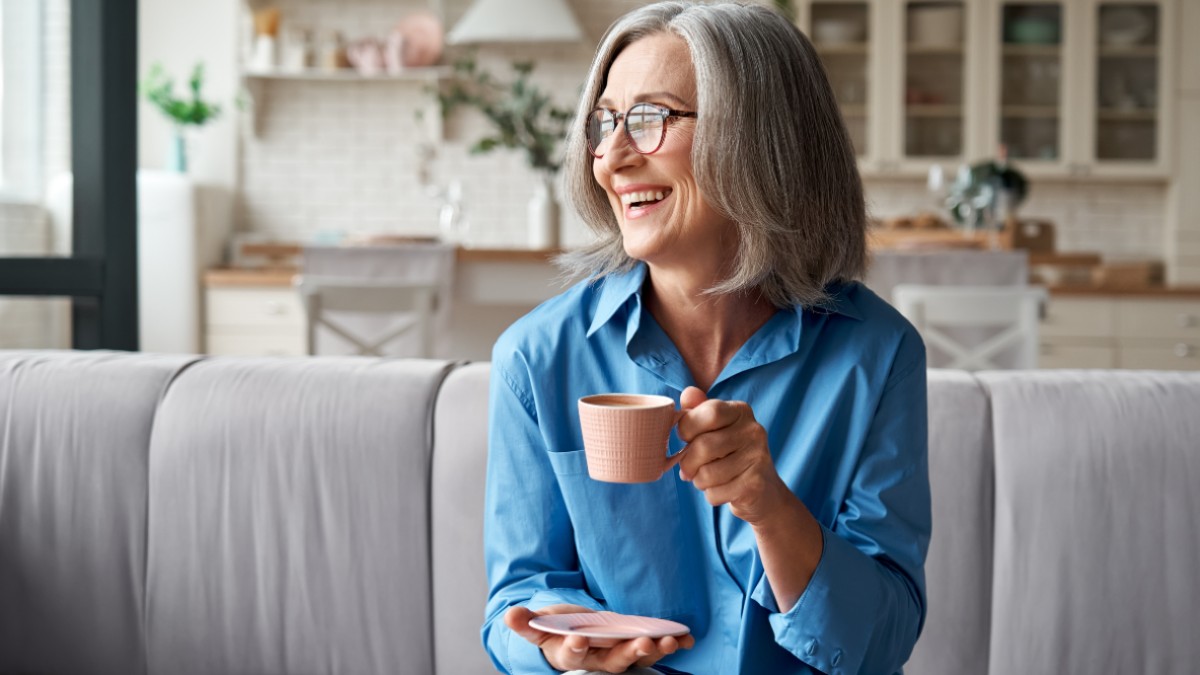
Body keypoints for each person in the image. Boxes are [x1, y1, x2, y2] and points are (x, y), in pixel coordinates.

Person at [482, 2, 931, 673]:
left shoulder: (877, 355)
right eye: (604, 123)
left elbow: (882, 641)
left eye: (650, 118)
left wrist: (769, 505)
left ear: (761, 136)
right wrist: (561, 652)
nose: (611, 157)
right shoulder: (537, 359)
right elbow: (516, 602)